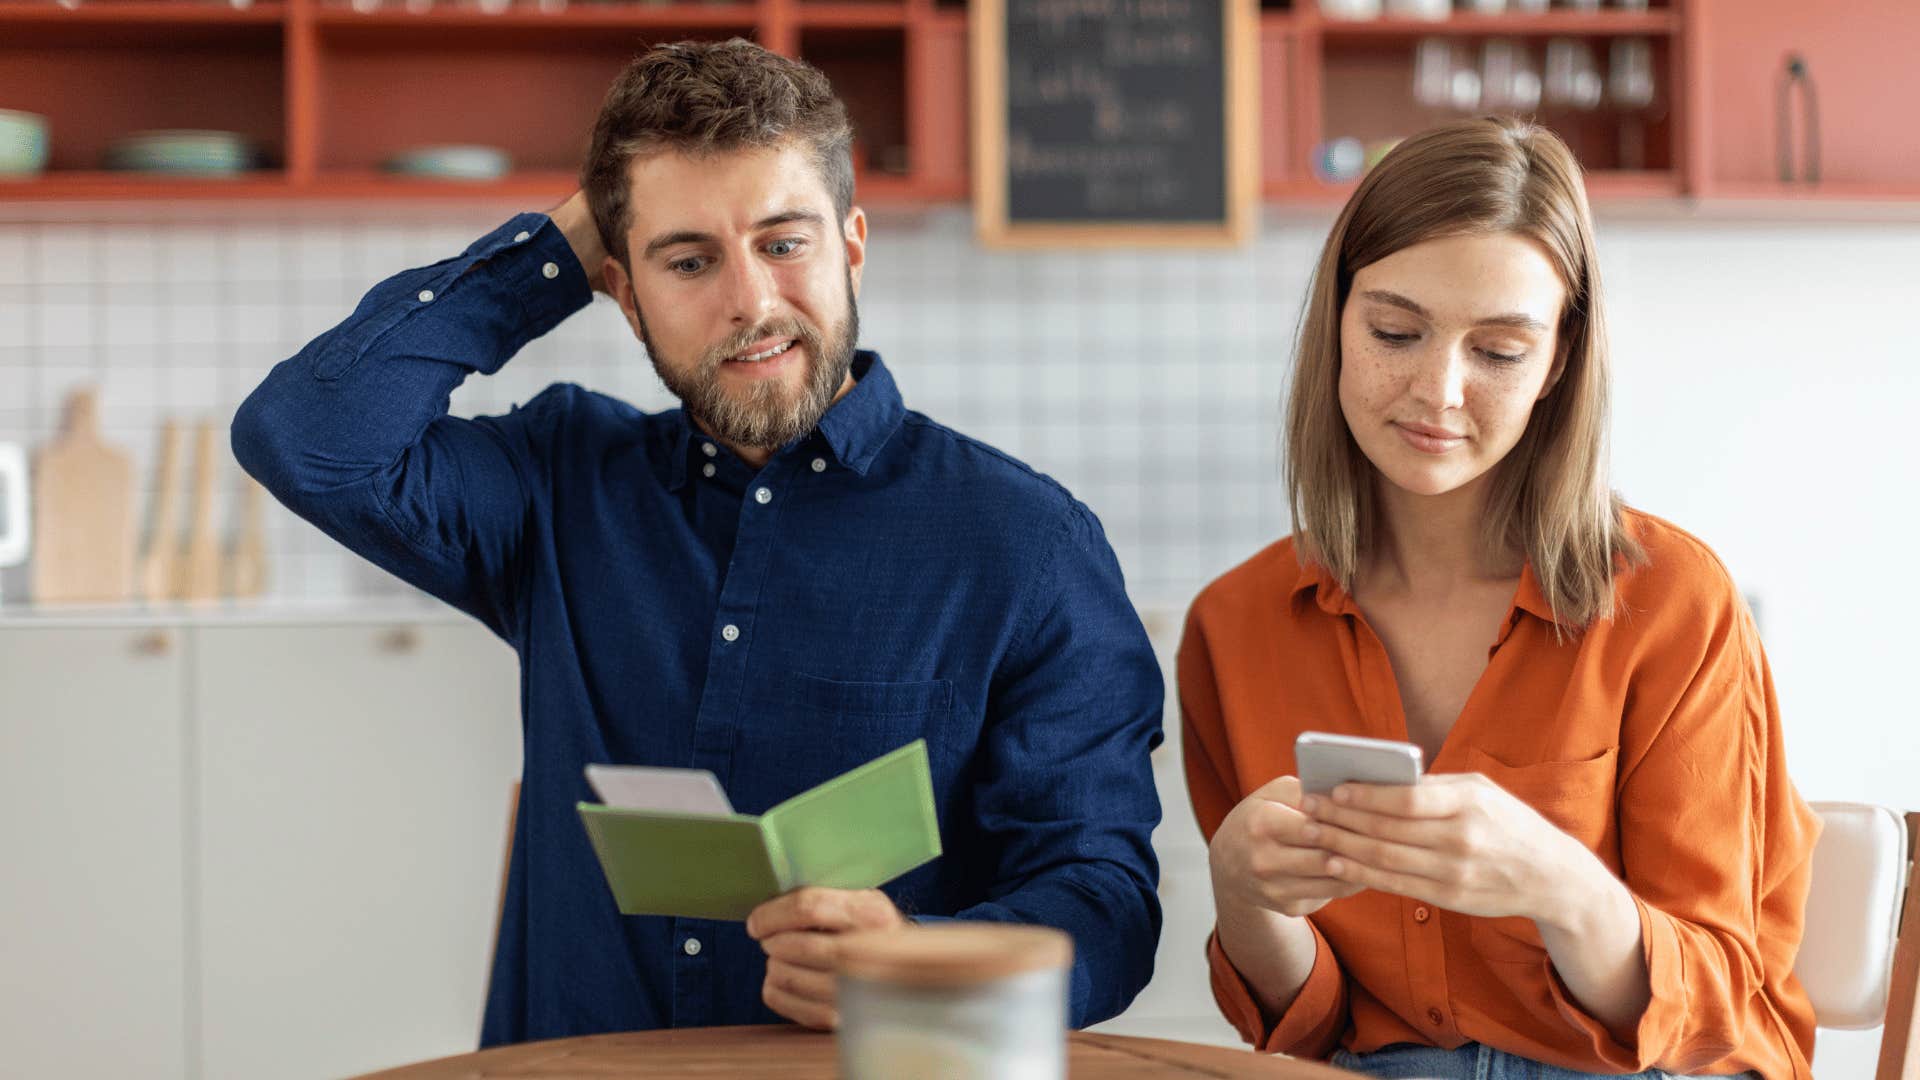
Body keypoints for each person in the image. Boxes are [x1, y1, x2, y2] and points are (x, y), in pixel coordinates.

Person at [233, 38, 1163, 1046]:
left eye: (784, 241)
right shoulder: (557, 483)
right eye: (688, 259)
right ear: (623, 294)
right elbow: (309, 439)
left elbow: (1104, 898)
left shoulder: (1026, 543)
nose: (751, 301)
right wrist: (559, 248)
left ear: (853, 242)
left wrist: (920, 961)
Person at [1178, 116, 1818, 1080]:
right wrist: (1244, 898)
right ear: (1337, 325)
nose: (1437, 391)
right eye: (1396, 332)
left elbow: (1727, 1014)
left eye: (1500, 352)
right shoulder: (1233, 626)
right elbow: (1309, 1029)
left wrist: (1564, 888)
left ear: (1558, 363)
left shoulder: (1674, 605)